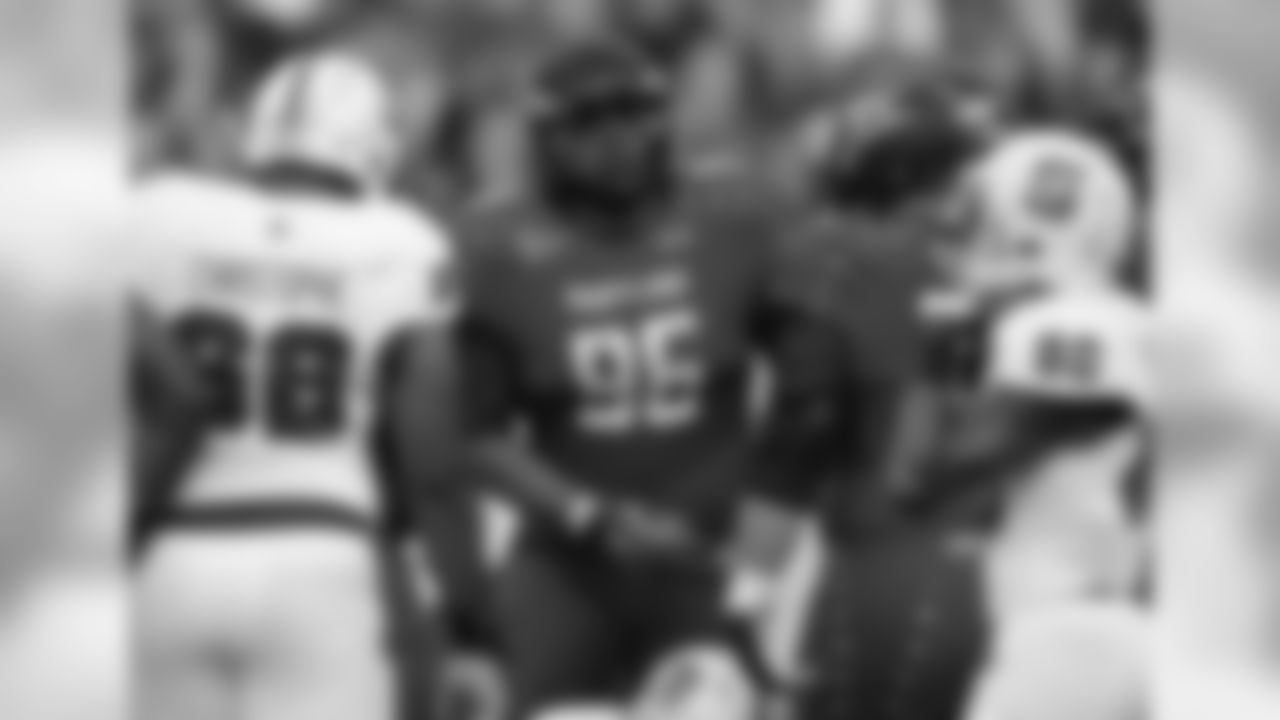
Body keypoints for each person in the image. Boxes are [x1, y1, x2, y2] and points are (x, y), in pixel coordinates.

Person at [456, 38, 840, 720]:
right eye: (589, 124)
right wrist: (590, 516)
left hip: (707, 552)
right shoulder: (499, 248)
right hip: (568, 556)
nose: (617, 141)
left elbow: (808, 397)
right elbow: (477, 433)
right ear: (545, 139)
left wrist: (752, 565)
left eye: (633, 116)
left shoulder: (733, 216)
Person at [129, 50, 475, 720]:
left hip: (174, 550)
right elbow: (432, 464)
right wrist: (473, 624)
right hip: (321, 553)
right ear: (377, 150)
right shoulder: (401, 242)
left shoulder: (159, 214)